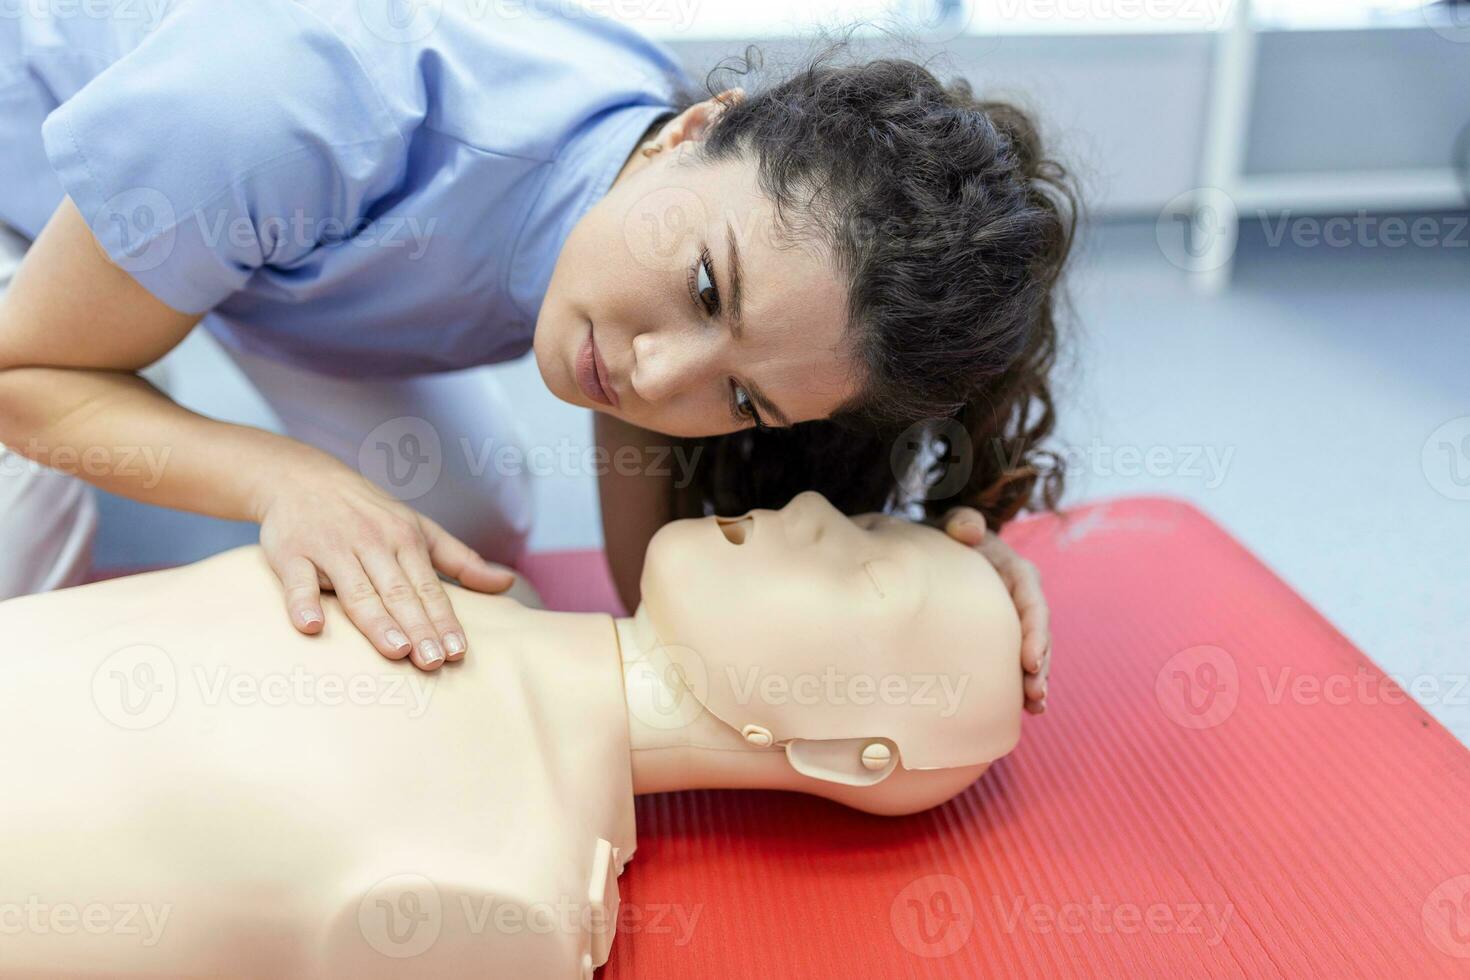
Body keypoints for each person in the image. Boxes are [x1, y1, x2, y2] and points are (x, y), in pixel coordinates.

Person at [0, 1, 1064, 709]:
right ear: (697, 127)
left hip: (252, 235)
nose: (657, 378)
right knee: (26, 510)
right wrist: (288, 482)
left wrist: (928, 580)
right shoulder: (294, 103)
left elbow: (661, 597)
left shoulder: (665, 188)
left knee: (461, 531)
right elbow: (22, 374)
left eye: (741, 396)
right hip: (44, 186)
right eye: (705, 289)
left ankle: (156, 301)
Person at [0, 492, 1023, 976]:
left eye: (868, 573)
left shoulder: (499, 891)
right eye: (871, 522)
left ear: (849, 752)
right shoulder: (473, 579)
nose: (811, 508)